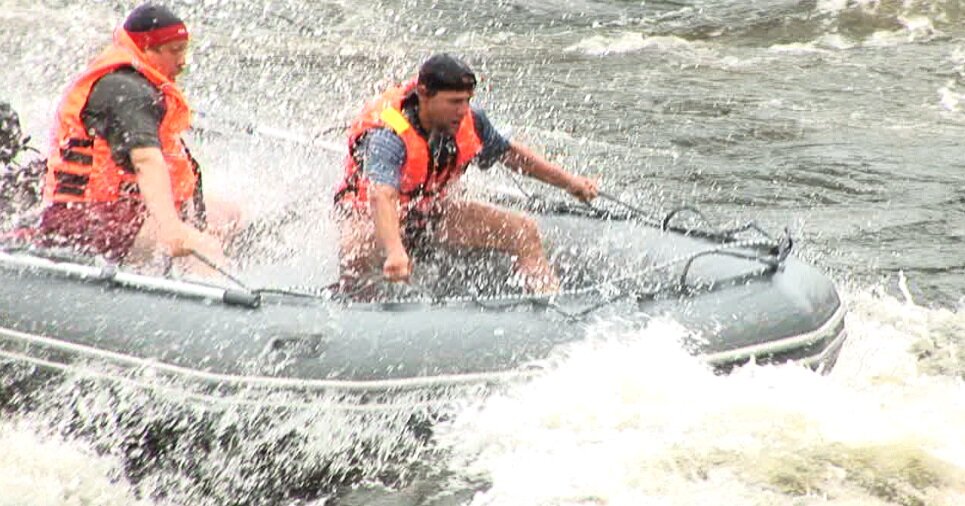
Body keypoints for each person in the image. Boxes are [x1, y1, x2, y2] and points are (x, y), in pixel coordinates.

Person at [333, 54, 598, 293]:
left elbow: (512, 155)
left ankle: (548, 302)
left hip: (429, 213)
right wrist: (394, 251)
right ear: (424, 93)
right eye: (454, 102)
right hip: (375, 218)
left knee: (523, 231)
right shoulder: (388, 135)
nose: (462, 110)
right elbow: (382, 196)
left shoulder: (470, 121)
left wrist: (570, 182)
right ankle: (358, 305)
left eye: (467, 101)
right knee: (358, 246)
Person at [35, 3, 237, 266]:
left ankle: (246, 279)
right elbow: (145, 161)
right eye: (174, 51)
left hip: (124, 208)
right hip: (86, 219)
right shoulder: (125, 92)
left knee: (230, 214)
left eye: (184, 49)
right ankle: (216, 293)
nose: (183, 61)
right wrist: (171, 227)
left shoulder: (142, 84)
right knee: (203, 247)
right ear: (146, 49)